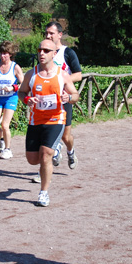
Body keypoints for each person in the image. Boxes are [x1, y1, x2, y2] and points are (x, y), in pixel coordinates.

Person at [18, 39, 79, 207]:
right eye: (40, 50)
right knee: (32, 159)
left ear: (54, 54)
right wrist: (28, 99)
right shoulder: (32, 74)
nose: (42, 53)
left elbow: (75, 94)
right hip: (35, 121)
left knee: (46, 154)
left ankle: (43, 193)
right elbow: (21, 92)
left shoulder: (62, 75)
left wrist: (69, 98)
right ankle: (53, 150)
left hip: (56, 119)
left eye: (46, 50)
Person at [44, 21, 82, 172]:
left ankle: (70, 152)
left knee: (66, 137)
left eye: (51, 33)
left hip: (64, 98)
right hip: (48, 100)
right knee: (47, 133)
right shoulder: (43, 51)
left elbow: (78, 75)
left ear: (59, 35)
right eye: (46, 33)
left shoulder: (68, 53)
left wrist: (61, 81)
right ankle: (47, 164)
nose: (48, 36)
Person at [0, 41, 24, 159]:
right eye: (1, 53)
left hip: (11, 98)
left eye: (5, 53)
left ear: (10, 54)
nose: (2, 56)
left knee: (5, 124)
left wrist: (13, 87)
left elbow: (24, 84)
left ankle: (8, 150)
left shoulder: (15, 67)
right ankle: (3, 138)